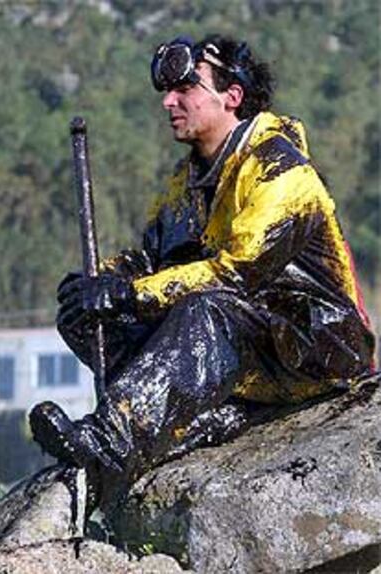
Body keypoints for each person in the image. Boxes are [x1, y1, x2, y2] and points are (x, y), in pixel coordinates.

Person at [30, 35, 375, 514]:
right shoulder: (190, 178)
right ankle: (188, 422)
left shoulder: (281, 170)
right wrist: (99, 284)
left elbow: (236, 275)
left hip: (313, 347)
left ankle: (114, 442)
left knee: (207, 312)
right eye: (167, 94)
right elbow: (153, 257)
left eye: (185, 90)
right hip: (252, 344)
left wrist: (127, 295)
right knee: (89, 315)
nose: (169, 103)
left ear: (231, 97)